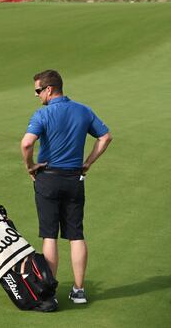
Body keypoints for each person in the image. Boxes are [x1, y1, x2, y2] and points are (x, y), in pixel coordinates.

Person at [20, 69, 112, 305]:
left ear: (49, 89)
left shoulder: (42, 114)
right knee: (76, 235)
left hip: (48, 179)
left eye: (38, 91)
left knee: (49, 236)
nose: (37, 95)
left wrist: (30, 166)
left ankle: (49, 292)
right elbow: (105, 137)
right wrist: (88, 163)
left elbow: (27, 143)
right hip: (74, 179)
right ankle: (79, 291)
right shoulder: (82, 110)